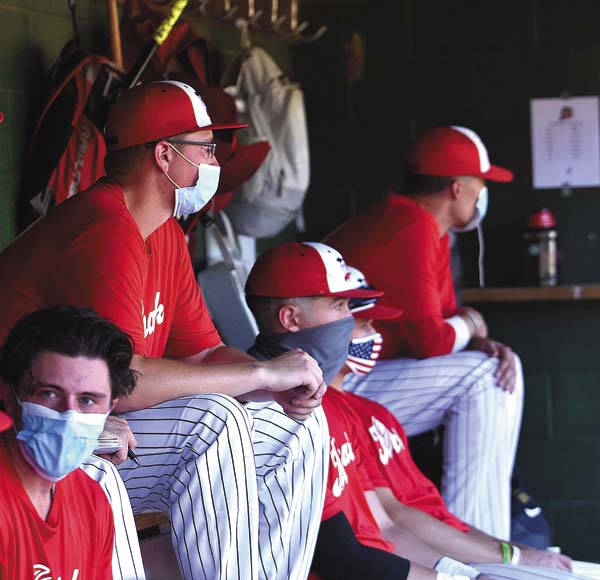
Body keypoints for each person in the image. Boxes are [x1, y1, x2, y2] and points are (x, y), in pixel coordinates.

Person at [0, 80, 328, 580]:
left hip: (101, 422)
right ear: (165, 155)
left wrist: (276, 383)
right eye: (207, 148)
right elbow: (123, 383)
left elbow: (203, 353)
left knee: (297, 425)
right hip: (34, 424)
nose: (215, 162)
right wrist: (259, 376)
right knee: (212, 422)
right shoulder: (105, 228)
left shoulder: (165, 232)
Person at [244, 242, 585, 580]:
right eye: (341, 307)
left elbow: (385, 526)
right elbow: (342, 557)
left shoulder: (334, 410)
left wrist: (463, 572)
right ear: (290, 318)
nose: (351, 323)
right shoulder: (273, 411)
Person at [324, 125, 524, 539]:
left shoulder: (425, 225)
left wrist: (480, 339)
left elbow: (445, 320)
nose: (483, 192)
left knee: (497, 366)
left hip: (357, 378)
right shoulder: (409, 224)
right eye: (480, 182)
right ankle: (480, 546)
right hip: (330, 388)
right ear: (456, 187)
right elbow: (434, 341)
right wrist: (471, 325)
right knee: (487, 380)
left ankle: (481, 544)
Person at [0, 305, 137, 580]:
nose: (69, 416)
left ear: (110, 408)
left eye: (87, 400)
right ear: (8, 393)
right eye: (49, 394)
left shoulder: (92, 503)